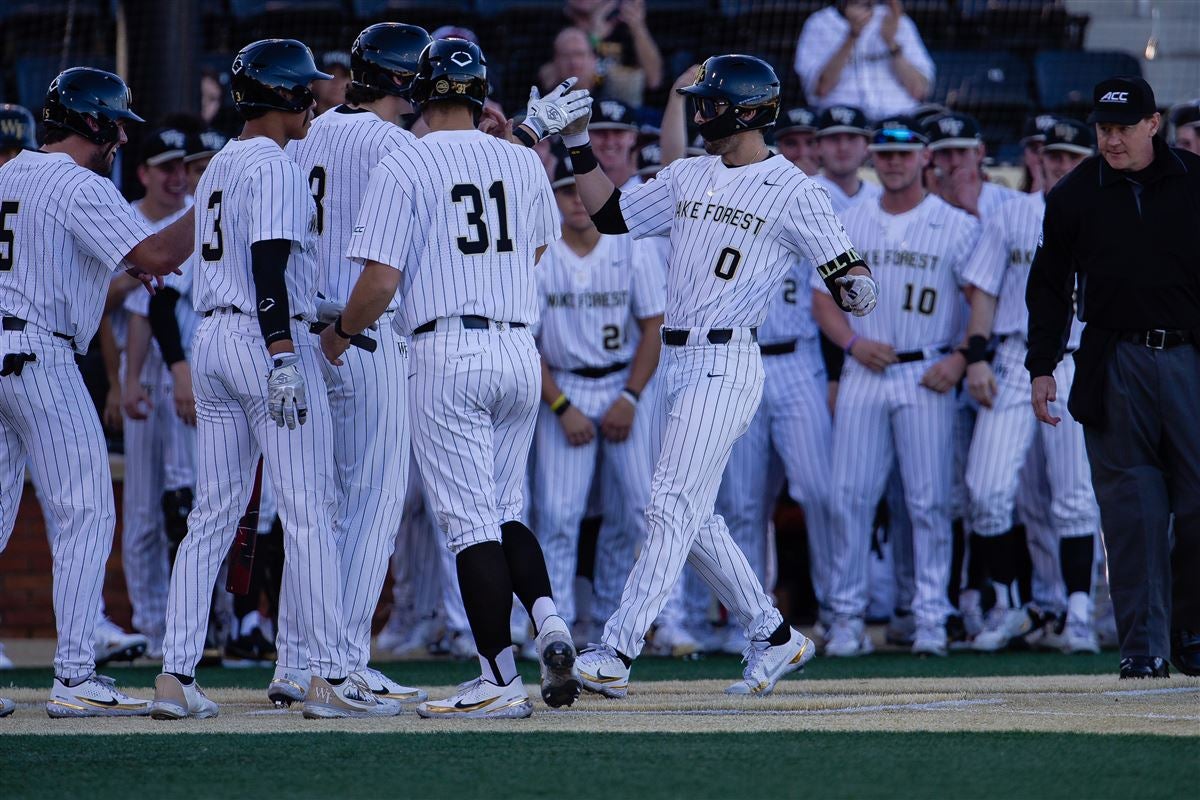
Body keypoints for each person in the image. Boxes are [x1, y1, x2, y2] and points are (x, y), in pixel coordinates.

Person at [561, 54, 877, 696]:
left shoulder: (795, 187)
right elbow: (612, 215)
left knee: (669, 500)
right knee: (694, 514)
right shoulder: (689, 173)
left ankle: (618, 650)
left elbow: (848, 271)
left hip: (728, 360)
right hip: (677, 363)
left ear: (748, 108)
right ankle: (774, 635)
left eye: (711, 101)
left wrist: (856, 290)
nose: (702, 110)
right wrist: (575, 144)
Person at [320, 39, 592, 719]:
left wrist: (341, 335)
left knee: (471, 528)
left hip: (447, 351)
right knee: (505, 512)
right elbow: (532, 250)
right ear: (479, 95)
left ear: (420, 92)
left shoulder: (404, 159)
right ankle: (551, 622)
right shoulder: (523, 160)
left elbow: (381, 281)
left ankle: (499, 680)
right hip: (518, 351)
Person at [151, 38, 396, 721]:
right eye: (307, 88)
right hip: (265, 344)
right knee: (309, 510)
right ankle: (328, 678)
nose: (317, 97)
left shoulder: (222, 162)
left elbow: (261, 271)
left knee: (212, 515)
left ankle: (174, 676)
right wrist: (286, 352)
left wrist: (309, 312)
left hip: (216, 338)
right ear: (285, 93)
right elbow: (266, 269)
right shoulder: (281, 166)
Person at [0, 67, 195, 717]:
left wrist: (134, 262)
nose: (120, 137)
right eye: (114, 123)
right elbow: (163, 255)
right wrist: (221, 195)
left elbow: (113, 257)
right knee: (88, 511)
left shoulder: (9, 172)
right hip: (39, 355)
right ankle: (77, 675)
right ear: (89, 121)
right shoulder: (79, 182)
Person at [272, 21, 434, 708]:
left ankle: (294, 663)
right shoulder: (396, 143)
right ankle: (342, 666)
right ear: (403, 79)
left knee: (315, 512)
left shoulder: (314, 129)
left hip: (304, 329)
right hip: (358, 331)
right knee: (369, 504)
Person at [1026, 76, 1200, 679]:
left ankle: (1191, 628)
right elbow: (1048, 286)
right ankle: (1143, 648)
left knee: (1198, 503)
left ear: (1154, 124)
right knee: (1131, 511)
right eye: (1103, 128)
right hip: (1111, 360)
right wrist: (1042, 366)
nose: (1111, 139)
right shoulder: (1072, 196)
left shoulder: (1196, 183)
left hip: (1191, 357)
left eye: (1124, 127)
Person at [816, 117, 979, 658]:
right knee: (847, 498)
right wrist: (851, 343)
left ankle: (932, 615)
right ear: (871, 158)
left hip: (927, 369)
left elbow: (981, 299)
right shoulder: (850, 218)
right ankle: (846, 618)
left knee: (929, 502)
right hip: (867, 364)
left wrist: (960, 358)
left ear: (923, 159)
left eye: (902, 155)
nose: (892, 162)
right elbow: (823, 297)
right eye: (883, 153)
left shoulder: (955, 224)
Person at [961, 118, 1101, 654]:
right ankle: (1011, 605)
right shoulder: (1012, 214)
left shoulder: (1103, 213)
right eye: (1053, 156)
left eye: (1070, 156)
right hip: (1016, 355)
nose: (1061, 164)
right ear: (1038, 159)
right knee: (986, 489)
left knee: (1074, 497)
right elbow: (985, 292)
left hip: (1077, 358)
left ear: (1083, 160)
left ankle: (1081, 615)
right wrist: (976, 356)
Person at [530, 160, 665, 648]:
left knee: (638, 513)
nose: (576, 201)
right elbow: (528, 343)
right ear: (554, 198)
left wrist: (630, 397)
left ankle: (627, 622)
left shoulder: (629, 245)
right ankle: (555, 628)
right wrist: (562, 407)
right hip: (563, 387)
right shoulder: (541, 254)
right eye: (564, 192)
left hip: (625, 383)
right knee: (559, 516)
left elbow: (654, 326)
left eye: (579, 191)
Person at [117, 128, 195, 661]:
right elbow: (115, 310)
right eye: (164, 165)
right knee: (143, 511)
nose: (176, 175)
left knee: (193, 503)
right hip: (143, 372)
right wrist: (120, 380)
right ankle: (149, 625)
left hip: (192, 367)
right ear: (143, 171)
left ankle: (201, 628)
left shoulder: (193, 211)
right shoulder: (122, 215)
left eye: (182, 165)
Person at [796, 0, 933, 121]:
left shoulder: (896, 21)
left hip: (900, 122)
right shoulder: (819, 23)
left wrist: (891, 42)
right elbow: (822, 88)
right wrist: (852, 36)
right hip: (843, 124)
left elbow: (919, 91)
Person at [561, 0, 663, 106]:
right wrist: (594, 39)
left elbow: (654, 80)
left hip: (621, 111)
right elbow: (549, 77)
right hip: (575, 107)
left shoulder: (624, 29)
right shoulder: (555, 26)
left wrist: (638, 27)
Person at [924, 111, 1020, 218]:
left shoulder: (1015, 203)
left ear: (980, 152)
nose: (955, 162)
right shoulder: (922, 213)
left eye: (962, 151)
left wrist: (972, 210)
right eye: (945, 152)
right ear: (932, 157)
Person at [812, 104, 880, 212]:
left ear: (866, 146)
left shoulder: (880, 197)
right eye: (834, 138)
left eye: (852, 138)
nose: (843, 147)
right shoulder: (802, 193)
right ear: (818, 146)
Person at [772, 106, 821, 176]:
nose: (802, 153)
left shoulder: (837, 178)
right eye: (791, 144)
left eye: (810, 143)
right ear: (778, 147)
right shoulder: (762, 179)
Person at [313, 51, 351, 116]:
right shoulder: (299, 122)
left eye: (343, 75)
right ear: (314, 82)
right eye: (328, 74)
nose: (336, 81)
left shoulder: (364, 121)